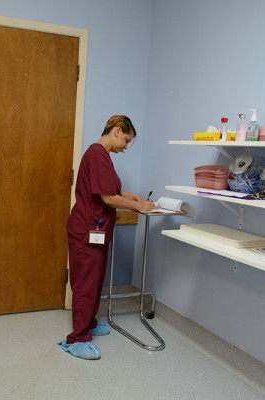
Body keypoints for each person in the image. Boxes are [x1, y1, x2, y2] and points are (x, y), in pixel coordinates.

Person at [59, 115, 154, 360]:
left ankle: (89, 323)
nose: (125, 147)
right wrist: (140, 206)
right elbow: (108, 199)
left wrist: (134, 197)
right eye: (126, 141)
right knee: (85, 284)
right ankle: (77, 339)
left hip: (97, 232)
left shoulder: (103, 156)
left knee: (95, 281)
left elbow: (115, 191)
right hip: (86, 231)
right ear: (117, 130)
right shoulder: (96, 154)